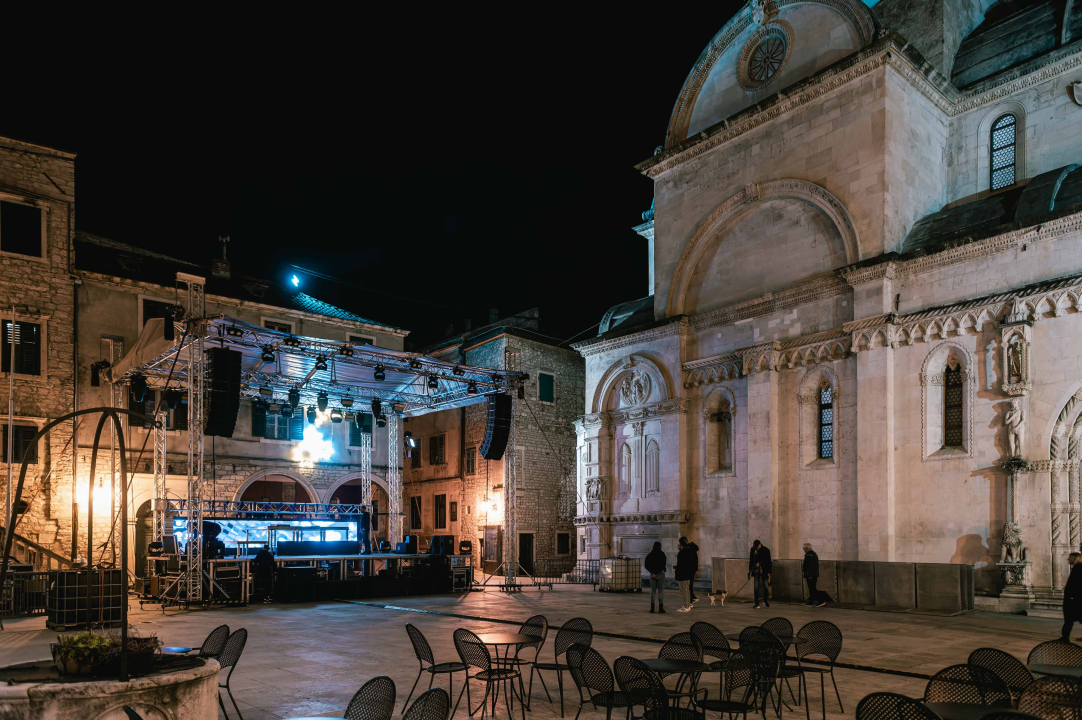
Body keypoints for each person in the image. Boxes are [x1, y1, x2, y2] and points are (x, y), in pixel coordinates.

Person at [1062, 552, 1082, 640]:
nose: (1068, 559)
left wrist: (1071, 596)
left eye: (1069, 558)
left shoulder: (1078, 568)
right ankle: (1065, 637)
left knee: (1069, 619)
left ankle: (1065, 638)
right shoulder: (1077, 567)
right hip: (1075, 598)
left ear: (1074, 559)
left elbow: (1075, 584)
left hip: (1073, 599)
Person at [802, 543, 828, 607]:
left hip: (811, 574)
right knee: (812, 588)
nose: (803, 549)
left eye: (803, 547)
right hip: (814, 574)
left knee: (812, 588)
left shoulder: (809, 555)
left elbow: (809, 565)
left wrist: (809, 574)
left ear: (806, 548)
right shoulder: (813, 553)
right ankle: (811, 601)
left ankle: (821, 600)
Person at [748, 540, 772, 609]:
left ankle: (765, 601)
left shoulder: (766, 550)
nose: (756, 548)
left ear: (760, 544)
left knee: (766, 586)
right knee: (756, 587)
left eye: (757, 547)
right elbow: (751, 560)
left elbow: (769, 562)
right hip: (756, 571)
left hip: (764, 571)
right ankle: (757, 603)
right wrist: (750, 571)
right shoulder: (753, 550)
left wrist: (769, 572)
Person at [644, 541, 667, 614]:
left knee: (653, 592)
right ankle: (661, 608)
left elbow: (646, 565)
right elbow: (663, 565)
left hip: (653, 575)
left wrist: (653, 572)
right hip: (660, 574)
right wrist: (657, 572)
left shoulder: (650, 555)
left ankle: (652, 608)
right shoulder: (662, 554)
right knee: (660, 591)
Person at [675, 537, 697, 612]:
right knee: (686, 590)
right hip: (688, 574)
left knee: (684, 591)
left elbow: (681, 564)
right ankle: (687, 604)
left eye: (679, 545)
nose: (679, 546)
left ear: (682, 545)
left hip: (683, 574)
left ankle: (686, 606)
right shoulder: (690, 552)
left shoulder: (682, 553)